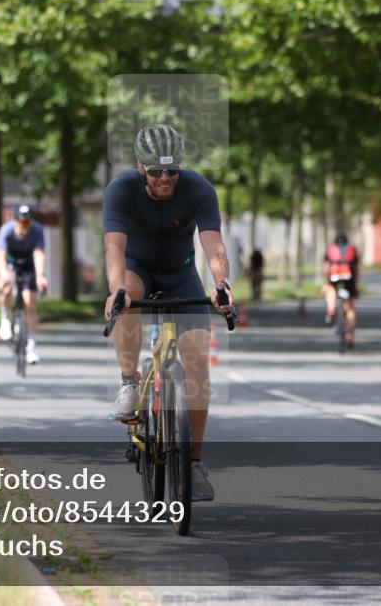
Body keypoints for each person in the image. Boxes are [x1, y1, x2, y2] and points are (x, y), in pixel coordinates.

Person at [102, 123, 234, 502]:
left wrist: (221, 283)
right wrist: (117, 291)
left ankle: (192, 463)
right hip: (136, 268)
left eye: (172, 170)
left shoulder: (198, 189)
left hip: (180, 275)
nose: (165, 178)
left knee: (196, 361)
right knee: (128, 296)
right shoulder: (121, 189)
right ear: (140, 167)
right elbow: (114, 247)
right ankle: (129, 383)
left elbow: (213, 244)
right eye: (156, 171)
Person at [0, 204, 50, 364]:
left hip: (28, 265)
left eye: (27, 222)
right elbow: (1, 256)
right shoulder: (6, 231)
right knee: (6, 289)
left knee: (30, 302)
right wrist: (3, 275)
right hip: (11, 264)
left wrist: (40, 275)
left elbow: (39, 253)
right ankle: (5, 317)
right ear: (15, 220)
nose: (24, 225)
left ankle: (31, 348)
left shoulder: (37, 231)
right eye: (21, 222)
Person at [323, 234, 359, 347]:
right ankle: (350, 335)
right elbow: (356, 269)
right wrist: (355, 284)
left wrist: (326, 280)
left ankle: (331, 310)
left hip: (334, 276)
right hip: (349, 278)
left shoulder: (330, 250)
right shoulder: (352, 250)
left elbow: (326, 268)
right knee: (350, 307)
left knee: (330, 289)